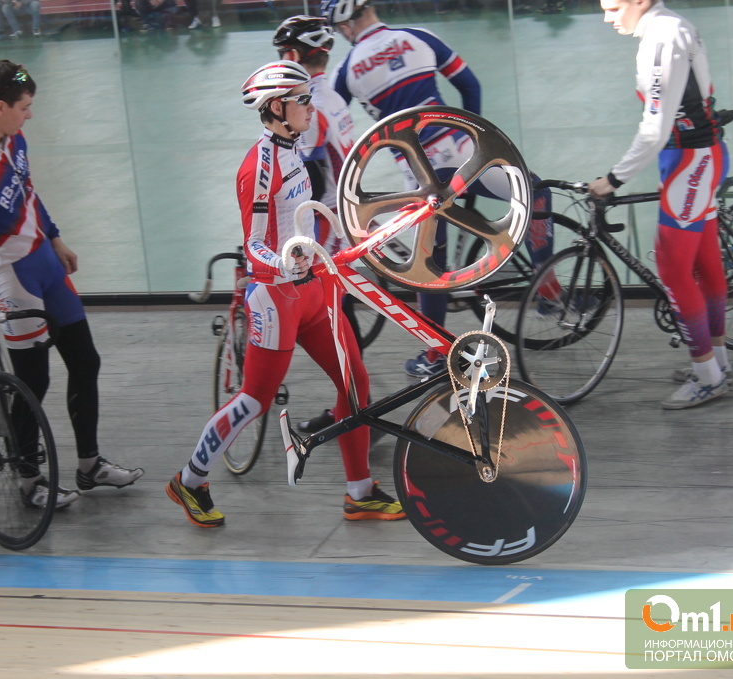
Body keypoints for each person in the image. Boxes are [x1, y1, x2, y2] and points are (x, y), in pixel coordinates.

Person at [165, 61, 405, 527]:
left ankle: (359, 491)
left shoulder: (295, 149)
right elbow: (253, 242)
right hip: (276, 298)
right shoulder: (259, 166)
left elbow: (306, 213)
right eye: (302, 101)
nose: (310, 108)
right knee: (254, 400)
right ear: (277, 107)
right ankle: (190, 481)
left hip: (314, 290)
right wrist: (284, 263)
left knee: (354, 382)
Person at [0, 60, 145, 507]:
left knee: (85, 360)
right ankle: (28, 480)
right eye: (25, 107)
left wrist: (56, 237)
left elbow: (28, 191)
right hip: (9, 276)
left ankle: (89, 465)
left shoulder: (13, 138)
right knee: (33, 380)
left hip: (44, 263)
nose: (31, 115)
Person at [322, 0, 554, 378]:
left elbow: (337, 130)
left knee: (426, 267)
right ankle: (549, 289)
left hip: (418, 174)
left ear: (347, 25)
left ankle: (434, 358)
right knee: (536, 192)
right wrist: (478, 143)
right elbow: (469, 85)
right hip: (463, 154)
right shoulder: (418, 37)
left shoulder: (346, 71)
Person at [589, 0, 730, 410]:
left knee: (671, 268)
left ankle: (707, 376)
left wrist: (614, 178)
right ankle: (718, 364)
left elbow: (654, 128)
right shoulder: (672, 25)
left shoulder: (661, 37)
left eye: (614, 8)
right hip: (696, 158)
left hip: (691, 162)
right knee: (705, 263)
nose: (607, 17)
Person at [271, 15, 357, 434]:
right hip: (341, 216)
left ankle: (354, 409)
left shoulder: (309, 105)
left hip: (324, 224)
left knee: (331, 322)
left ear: (292, 57)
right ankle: (352, 403)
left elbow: (310, 179)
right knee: (340, 320)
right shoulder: (332, 97)